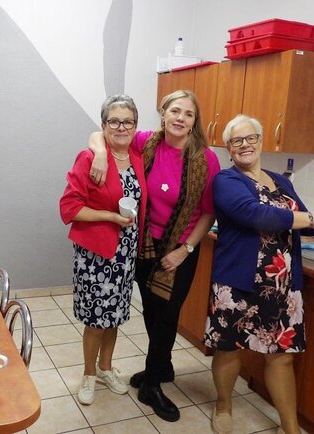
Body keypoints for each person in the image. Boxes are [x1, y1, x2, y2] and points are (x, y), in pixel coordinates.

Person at [89, 90, 221, 422]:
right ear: (163, 114)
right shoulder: (146, 141)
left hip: (180, 250)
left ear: (195, 121)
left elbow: (208, 212)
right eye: (175, 111)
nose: (180, 118)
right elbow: (102, 133)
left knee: (166, 315)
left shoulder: (206, 159)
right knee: (151, 311)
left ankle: (152, 384)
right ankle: (161, 367)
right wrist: (100, 154)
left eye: (188, 114)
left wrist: (185, 250)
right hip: (144, 246)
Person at [205, 114, 314, 434]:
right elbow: (256, 214)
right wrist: (311, 218)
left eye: (251, 138)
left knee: (282, 356)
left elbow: (303, 222)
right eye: (236, 141)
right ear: (228, 148)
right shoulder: (226, 180)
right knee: (228, 349)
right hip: (236, 282)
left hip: (283, 286)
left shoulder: (282, 181)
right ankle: (223, 404)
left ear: (262, 141)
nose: (245, 145)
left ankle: (290, 427)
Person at [59, 94, 148, 406]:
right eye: (114, 121)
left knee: (116, 316)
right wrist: (110, 217)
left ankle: (105, 368)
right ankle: (88, 373)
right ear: (104, 125)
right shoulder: (90, 158)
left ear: (136, 125)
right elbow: (69, 208)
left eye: (128, 121)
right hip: (96, 256)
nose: (121, 127)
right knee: (96, 320)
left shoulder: (138, 157)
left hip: (125, 255)